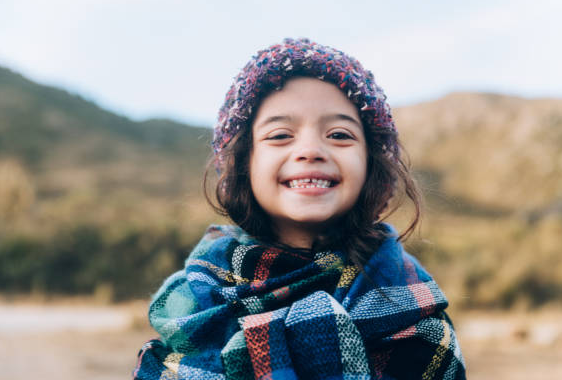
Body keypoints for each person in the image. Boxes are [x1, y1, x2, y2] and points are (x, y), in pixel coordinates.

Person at [133, 38, 466, 379]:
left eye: (339, 134)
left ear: (370, 163)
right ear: (244, 163)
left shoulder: (413, 310)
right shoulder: (194, 297)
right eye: (280, 135)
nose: (310, 150)